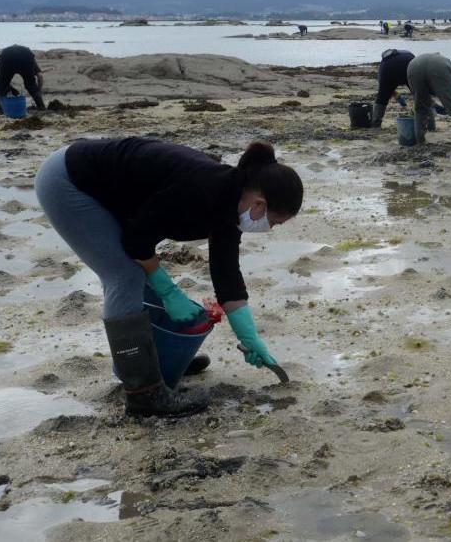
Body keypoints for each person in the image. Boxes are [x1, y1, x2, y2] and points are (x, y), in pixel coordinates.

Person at [34, 138, 303, 417]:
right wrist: (168, 291)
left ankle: (157, 361)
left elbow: (227, 275)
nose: (270, 228)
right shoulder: (200, 190)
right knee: (123, 275)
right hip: (67, 181)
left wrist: (249, 337)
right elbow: (137, 241)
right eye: (275, 222)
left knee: (135, 268)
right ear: (259, 205)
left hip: (112, 193)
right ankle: (144, 395)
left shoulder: (230, 204)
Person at [0, 44, 46, 113]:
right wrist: (38, 90)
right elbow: (40, 76)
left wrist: (8, 88)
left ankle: (0, 110)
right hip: (25, 56)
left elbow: (2, 81)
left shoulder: (4, 53)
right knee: (31, 85)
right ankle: (41, 107)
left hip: (6, 56)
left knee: (2, 85)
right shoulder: (30, 57)